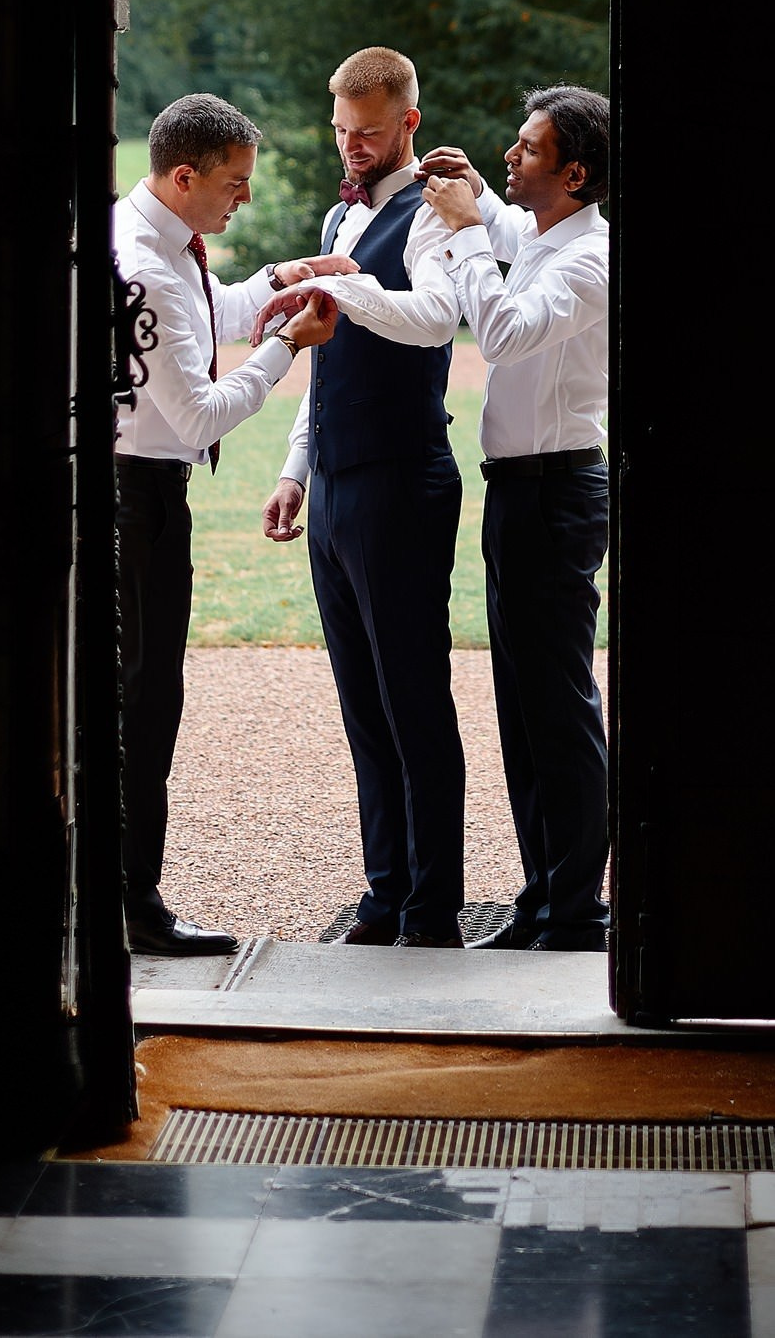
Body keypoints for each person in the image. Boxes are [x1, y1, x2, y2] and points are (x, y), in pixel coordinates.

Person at [327, 87, 613, 953]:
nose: (507, 159)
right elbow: (503, 230)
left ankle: (578, 914)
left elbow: (500, 330)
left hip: (559, 491)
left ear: (575, 173)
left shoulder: (591, 258)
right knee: (522, 708)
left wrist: (461, 227)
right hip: (518, 489)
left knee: (559, 709)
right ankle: (542, 903)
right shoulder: (542, 234)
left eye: (526, 151)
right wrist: (475, 202)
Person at [113, 92, 346, 957]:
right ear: (185, 176)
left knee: (140, 697)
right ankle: (133, 904)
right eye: (234, 185)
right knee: (144, 703)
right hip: (136, 499)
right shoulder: (145, 261)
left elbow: (198, 318)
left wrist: (282, 281)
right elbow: (202, 411)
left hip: (134, 490)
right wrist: (289, 347)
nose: (241, 199)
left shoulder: (153, 241)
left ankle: (120, 892)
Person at [263, 48, 467, 947]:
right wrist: (294, 470)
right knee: (361, 706)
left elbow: (432, 320)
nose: (351, 147)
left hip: (404, 480)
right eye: (342, 131)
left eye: (369, 133)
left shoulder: (435, 216)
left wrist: (344, 282)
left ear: (408, 124)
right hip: (337, 482)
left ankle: (432, 909)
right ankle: (383, 892)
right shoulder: (338, 220)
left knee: (414, 699)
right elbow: (324, 361)